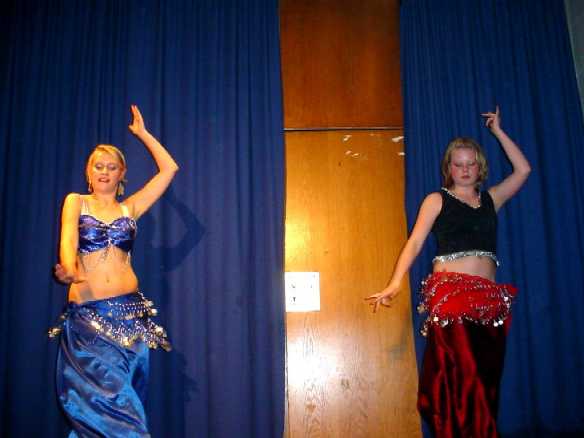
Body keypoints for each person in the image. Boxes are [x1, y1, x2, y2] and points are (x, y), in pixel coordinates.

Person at [366, 107, 531, 438]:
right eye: (459, 164)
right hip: (452, 297)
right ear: (449, 168)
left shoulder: (491, 200)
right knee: (465, 378)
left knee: (486, 379)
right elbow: (415, 242)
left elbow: (523, 170)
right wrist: (395, 282)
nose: (465, 170)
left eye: (471, 164)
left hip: (489, 303)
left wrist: (498, 131)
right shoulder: (436, 200)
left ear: (480, 167)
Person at [49, 105, 179, 437]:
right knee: (100, 407)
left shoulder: (129, 208)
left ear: (122, 174)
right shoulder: (76, 201)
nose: (104, 171)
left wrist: (143, 134)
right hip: (89, 319)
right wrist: (68, 270)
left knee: (124, 405)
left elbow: (169, 169)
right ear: (88, 171)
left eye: (112, 167)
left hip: (130, 319)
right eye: (98, 166)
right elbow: (68, 240)